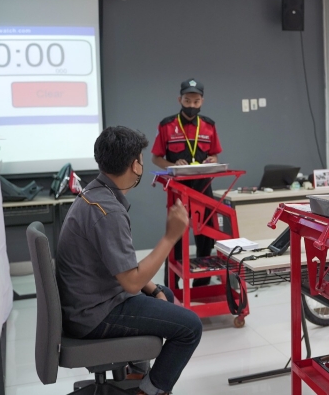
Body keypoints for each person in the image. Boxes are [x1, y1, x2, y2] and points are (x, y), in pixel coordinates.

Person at [56, 126, 202, 395]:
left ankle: (135, 371)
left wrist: (155, 289)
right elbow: (132, 282)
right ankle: (147, 391)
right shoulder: (108, 211)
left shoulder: (95, 193)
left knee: (165, 294)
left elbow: (121, 266)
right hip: (94, 315)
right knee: (191, 327)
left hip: (87, 301)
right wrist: (170, 237)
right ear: (135, 165)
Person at [151, 78, 222, 287]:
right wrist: (172, 164)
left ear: (202, 101)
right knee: (175, 238)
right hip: (178, 191)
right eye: (187, 100)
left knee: (205, 238)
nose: (191, 106)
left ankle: (202, 285)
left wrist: (211, 160)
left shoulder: (209, 125)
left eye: (196, 101)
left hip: (203, 188)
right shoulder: (167, 125)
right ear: (179, 99)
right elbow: (156, 158)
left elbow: (215, 156)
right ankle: (171, 287)